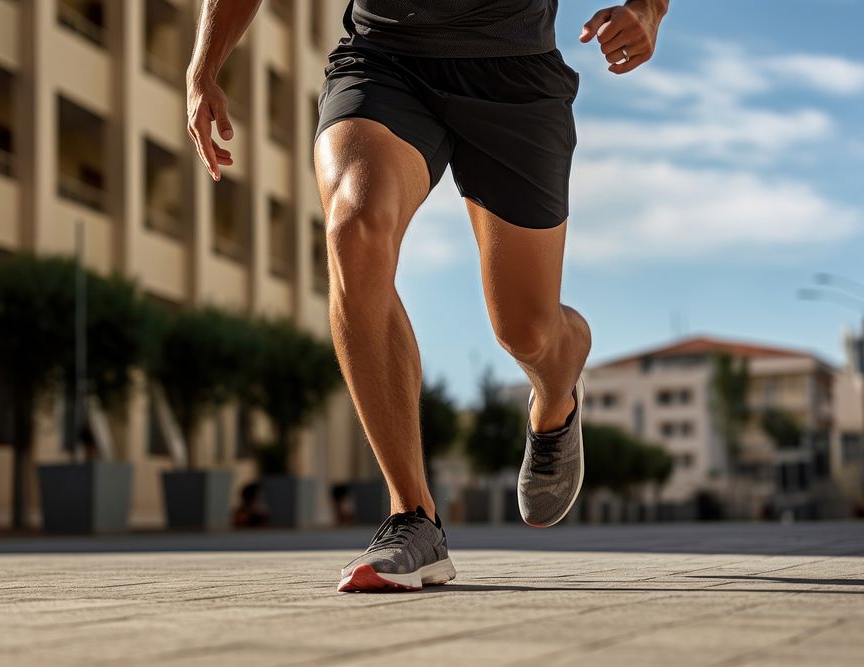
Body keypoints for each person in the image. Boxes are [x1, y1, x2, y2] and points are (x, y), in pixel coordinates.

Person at [187, 0, 669, 592]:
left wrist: (648, 11)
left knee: (526, 331)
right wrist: (203, 66)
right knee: (354, 229)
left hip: (512, 76)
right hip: (383, 61)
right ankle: (413, 516)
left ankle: (557, 386)